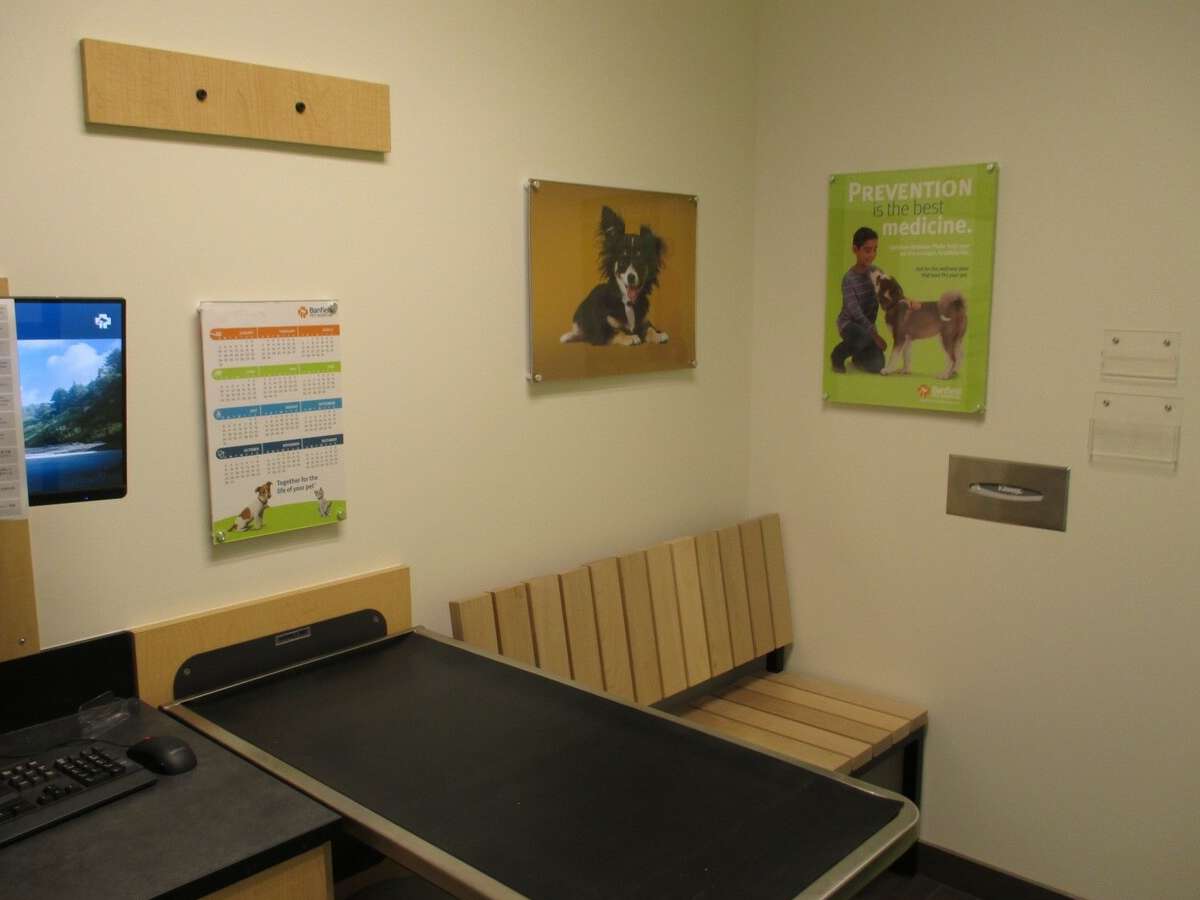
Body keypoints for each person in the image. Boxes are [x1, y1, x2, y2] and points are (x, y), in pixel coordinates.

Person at [831, 226, 886, 374]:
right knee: (864, 337)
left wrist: (907, 302)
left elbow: (889, 291)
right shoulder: (848, 280)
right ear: (855, 249)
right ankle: (837, 355)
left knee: (878, 366)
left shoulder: (877, 272)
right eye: (867, 250)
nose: (872, 254)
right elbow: (855, 313)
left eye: (875, 249)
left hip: (867, 328)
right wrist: (875, 336)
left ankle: (858, 356)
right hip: (849, 325)